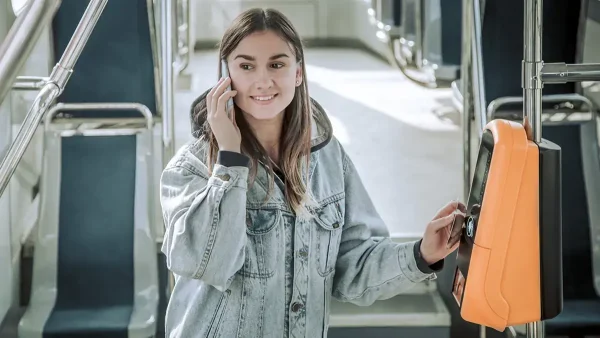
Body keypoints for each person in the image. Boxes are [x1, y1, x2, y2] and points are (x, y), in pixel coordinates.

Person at [159, 7, 465, 338]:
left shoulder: (329, 159)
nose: (263, 81)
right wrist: (231, 159)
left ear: (298, 73)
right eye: (246, 66)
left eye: (277, 64)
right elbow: (209, 264)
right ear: (225, 75)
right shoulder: (190, 169)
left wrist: (421, 254)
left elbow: (352, 269)